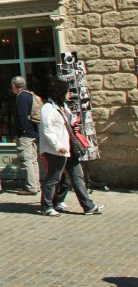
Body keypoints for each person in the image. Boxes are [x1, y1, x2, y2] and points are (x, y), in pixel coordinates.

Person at [38, 80, 105, 216]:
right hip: (56, 149)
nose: (69, 94)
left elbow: (69, 122)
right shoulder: (48, 108)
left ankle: (88, 206)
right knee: (53, 178)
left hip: (69, 147)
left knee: (76, 176)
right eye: (67, 92)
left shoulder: (63, 106)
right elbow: (47, 129)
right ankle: (47, 206)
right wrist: (57, 145)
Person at [10, 76, 41, 195]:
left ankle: (31, 186)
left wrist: (23, 130)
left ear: (14, 85)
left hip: (26, 134)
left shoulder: (21, 97)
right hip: (33, 132)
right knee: (33, 160)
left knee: (27, 159)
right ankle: (36, 185)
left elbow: (22, 116)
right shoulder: (29, 95)